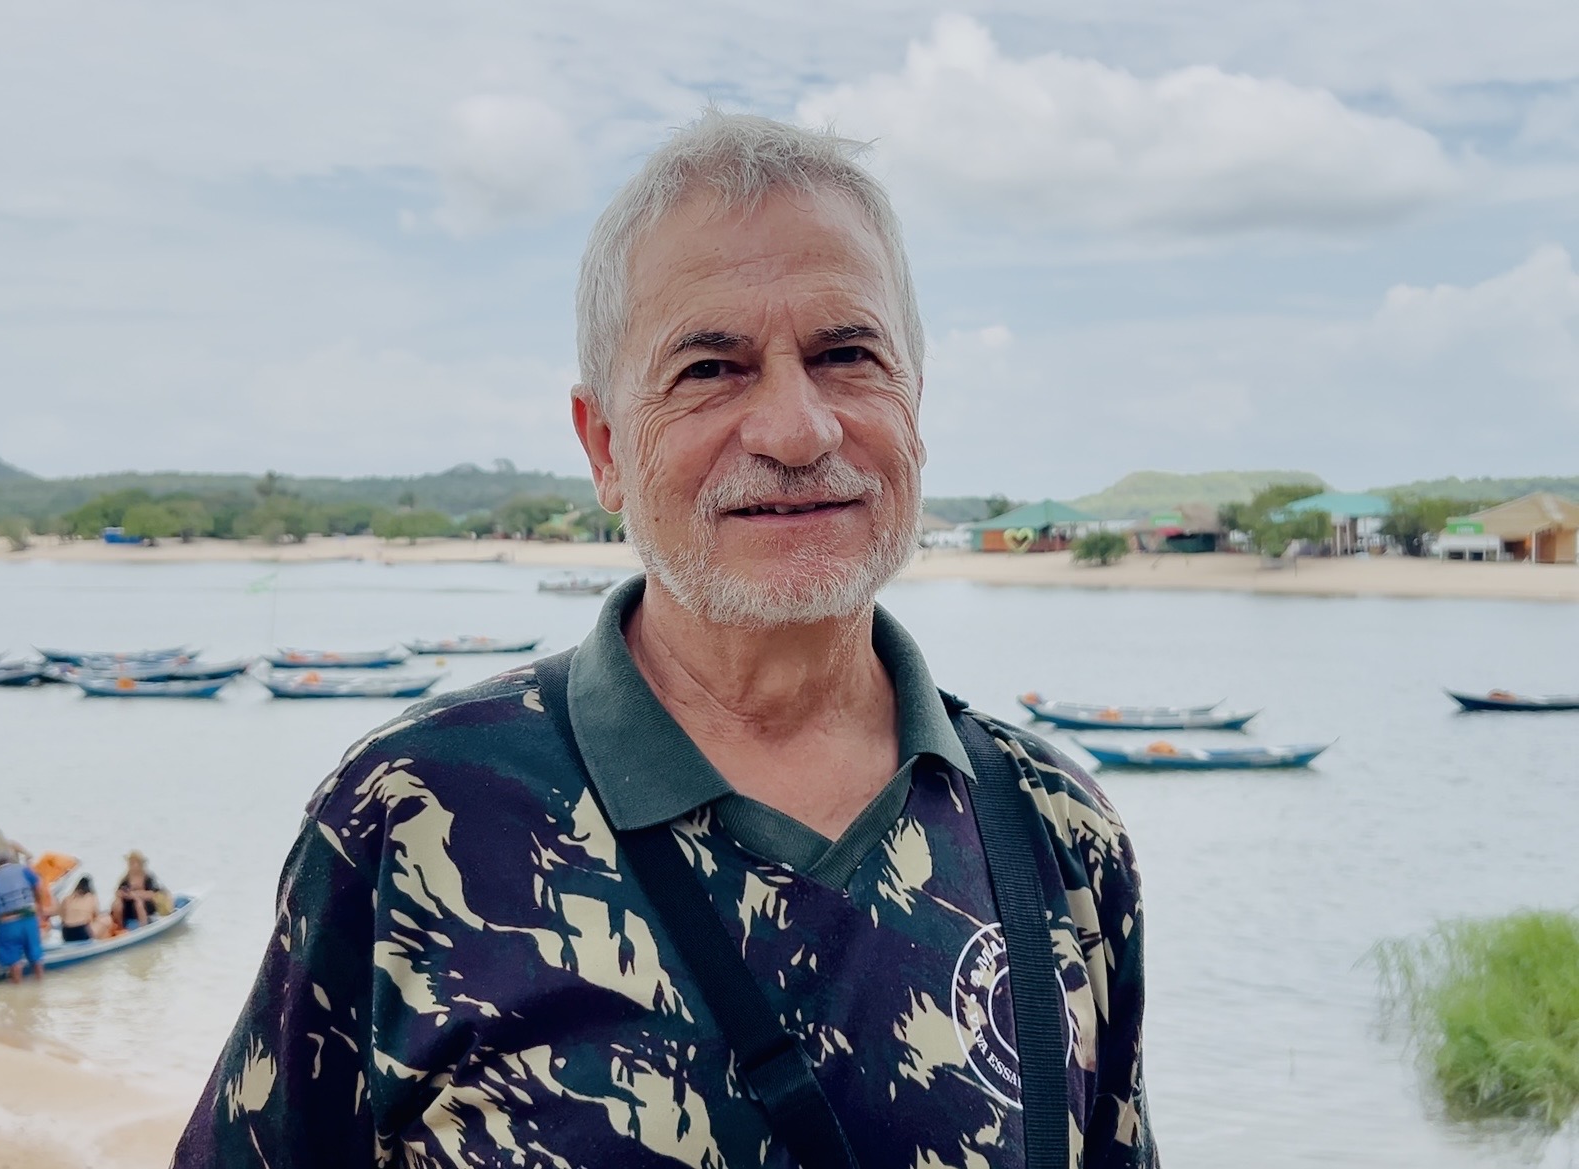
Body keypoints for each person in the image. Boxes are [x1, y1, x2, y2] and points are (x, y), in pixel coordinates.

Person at [177, 112, 1154, 1168]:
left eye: (847, 355)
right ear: (604, 445)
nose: (798, 430)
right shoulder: (414, 811)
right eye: (710, 369)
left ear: (915, 405)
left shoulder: (1055, 831)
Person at [0, 848, 45, 983]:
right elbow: (38, 886)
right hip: (28, 918)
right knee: (36, 955)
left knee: (14, 961)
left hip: (8, 922)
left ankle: (17, 987)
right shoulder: (24, 870)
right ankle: (40, 984)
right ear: (11, 858)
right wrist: (39, 907)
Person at [112, 851, 163, 929]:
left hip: (145, 903)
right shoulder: (126, 879)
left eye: (135, 862)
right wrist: (122, 894)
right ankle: (119, 927)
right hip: (128, 904)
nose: (132, 865)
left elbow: (153, 894)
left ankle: (144, 926)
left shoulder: (148, 877)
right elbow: (118, 892)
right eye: (131, 862)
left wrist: (136, 894)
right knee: (117, 904)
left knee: (138, 903)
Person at [59, 876, 109, 943]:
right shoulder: (91, 897)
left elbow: (62, 917)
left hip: (66, 932)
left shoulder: (67, 898)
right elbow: (96, 915)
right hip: (82, 931)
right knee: (106, 920)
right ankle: (104, 943)